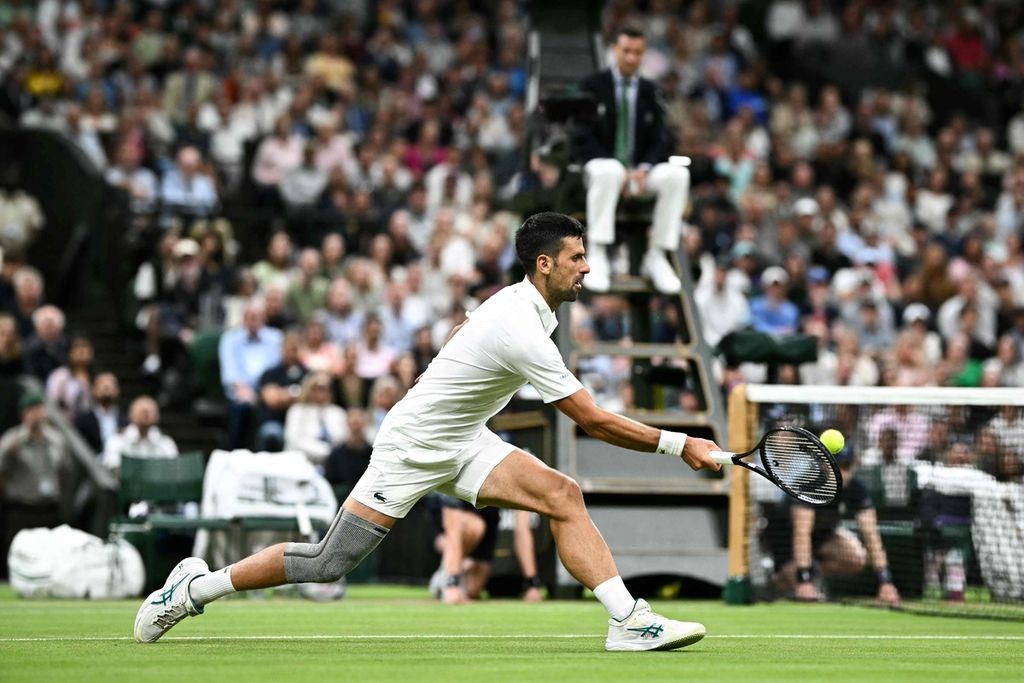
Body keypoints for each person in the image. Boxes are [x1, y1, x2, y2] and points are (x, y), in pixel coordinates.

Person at [133, 212, 721, 652]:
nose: (587, 267)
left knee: (562, 494)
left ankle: (627, 620)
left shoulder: (530, 308)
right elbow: (591, 418)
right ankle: (191, 591)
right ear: (545, 264)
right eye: (577, 258)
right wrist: (681, 443)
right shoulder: (520, 326)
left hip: (465, 438)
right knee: (328, 562)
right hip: (411, 448)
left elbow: (460, 349)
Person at [575, 26, 689, 294]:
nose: (630, 58)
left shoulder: (651, 91)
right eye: (626, 51)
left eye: (637, 52)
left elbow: (663, 138)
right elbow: (581, 134)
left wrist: (643, 169)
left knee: (677, 175)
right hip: (599, 170)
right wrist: (618, 170)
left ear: (643, 54)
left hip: (639, 174)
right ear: (615, 49)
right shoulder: (592, 86)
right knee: (610, 170)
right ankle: (599, 251)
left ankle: (657, 254)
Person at [770, 447, 902, 607]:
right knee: (794, 588)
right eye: (838, 467)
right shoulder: (808, 483)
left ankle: (813, 575)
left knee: (857, 559)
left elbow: (871, 534)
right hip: (786, 543)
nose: (843, 474)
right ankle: (782, 577)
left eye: (847, 467)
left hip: (823, 539)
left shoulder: (856, 488)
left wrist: (886, 582)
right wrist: (804, 580)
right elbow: (801, 534)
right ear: (825, 466)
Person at [0, 391, 69, 576]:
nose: (37, 414)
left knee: (50, 558)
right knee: (18, 557)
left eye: (39, 408)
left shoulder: (56, 439)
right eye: (32, 410)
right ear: (24, 413)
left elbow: (64, 471)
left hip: (48, 508)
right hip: (22, 509)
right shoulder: (12, 440)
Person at [428, 495, 543, 605]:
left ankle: (450, 572)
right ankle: (448, 574)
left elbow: (522, 529)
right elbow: (453, 529)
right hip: (454, 516)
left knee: (472, 590)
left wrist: (531, 584)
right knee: (475, 527)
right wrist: (453, 582)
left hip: (488, 517)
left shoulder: (515, 481)